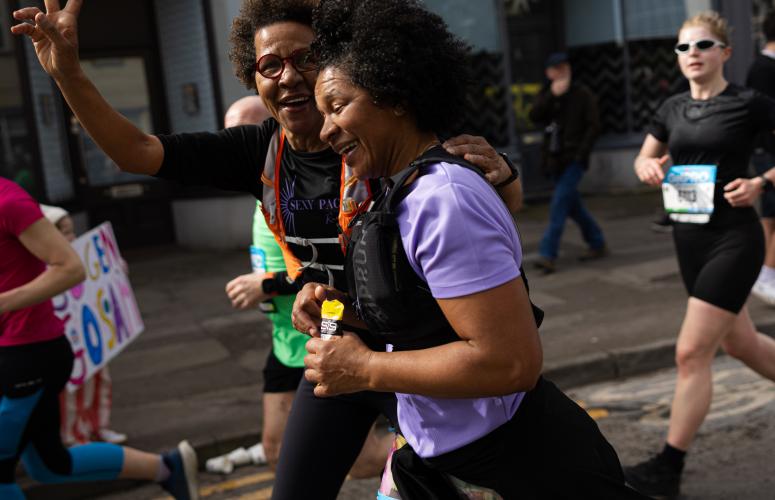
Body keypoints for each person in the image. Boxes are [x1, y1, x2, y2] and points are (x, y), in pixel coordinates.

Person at [10, 2, 520, 497]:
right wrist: (68, 73)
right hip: (335, 334)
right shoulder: (258, 150)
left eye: (307, 58)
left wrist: (506, 173)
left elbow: (489, 198)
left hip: (420, 346)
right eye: (270, 65)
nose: (289, 76)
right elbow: (136, 152)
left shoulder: (378, 133)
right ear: (253, 78)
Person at [293, 1, 646, 498]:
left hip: (518, 466)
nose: (326, 129)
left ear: (394, 95)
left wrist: (365, 370)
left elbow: (510, 362)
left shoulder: (446, 201)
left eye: (337, 105)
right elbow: (423, 319)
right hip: (437, 458)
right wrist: (336, 309)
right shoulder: (401, 191)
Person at [628, 11, 775, 498]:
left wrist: (760, 182)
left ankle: (668, 467)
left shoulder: (750, 103)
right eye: (684, 47)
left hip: (734, 239)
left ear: (725, 53)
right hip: (687, 239)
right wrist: (648, 167)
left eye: (704, 45)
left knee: (691, 353)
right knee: (742, 345)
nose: (692, 54)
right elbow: (643, 157)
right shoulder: (670, 109)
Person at [221, 96, 390, 476]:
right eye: (231, 133)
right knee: (274, 449)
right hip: (284, 339)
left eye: (248, 131)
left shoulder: (312, 184)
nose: (239, 143)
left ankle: (415, 464)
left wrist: (267, 284)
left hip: (325, 329)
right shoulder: (263, 184)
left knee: (360, 460)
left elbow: (334, 274)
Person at [0, 178, 198, 500]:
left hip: (27, 355)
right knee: (49, 465)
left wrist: (3, 302)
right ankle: (167, 468)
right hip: (16, 355)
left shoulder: (8, 201)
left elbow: (70, 268)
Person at [39, 204, 127, 447]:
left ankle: (99, 426)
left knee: (101, 382)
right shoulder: (44, 268)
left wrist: (116, 269)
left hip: (92, 337)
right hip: (69, 340)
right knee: (72, 394)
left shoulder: (81, 254)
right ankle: (73, 435)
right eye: (65, 232)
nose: (72, 237)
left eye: (72, 231)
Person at [529, 52, 607, 274]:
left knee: (559, 205)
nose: (563, 72)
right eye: (557, 68)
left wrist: (581, 154)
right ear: (549, 73)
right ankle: (597, 242)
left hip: (574, 159)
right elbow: (534, 116)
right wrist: (552, 97)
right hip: (553, 160)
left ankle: (547, 254)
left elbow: (594, 127)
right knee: (573, 206)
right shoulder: (546, 94)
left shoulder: (582, 94)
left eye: (565, 67)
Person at [746, 10, 775, 306]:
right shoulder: (763, 69)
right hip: (767, 150)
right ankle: (766, 273)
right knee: (772, 213)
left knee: (770, 213)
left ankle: (766, 272)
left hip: (766, 149)